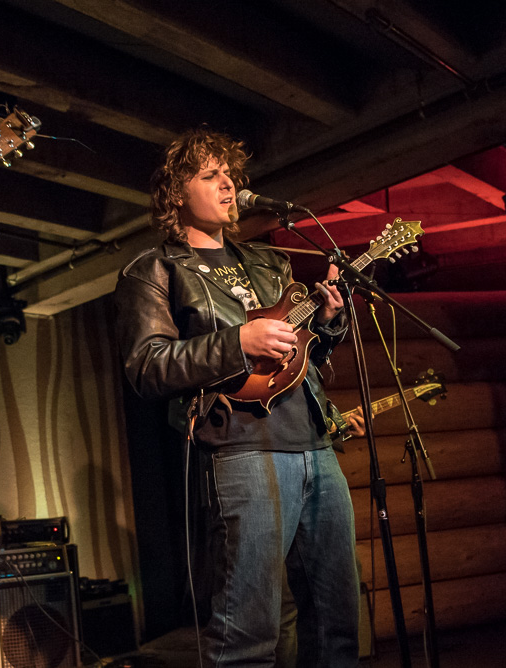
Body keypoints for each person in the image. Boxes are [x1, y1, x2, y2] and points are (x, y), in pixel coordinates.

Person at [114, 127, 359, 666]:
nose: (228, 185)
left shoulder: (271, 264)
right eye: (210, 175)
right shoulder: (156, 269)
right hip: (243, 450)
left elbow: (298, 360)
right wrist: (236, 342)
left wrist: (329, 326)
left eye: (230, 175)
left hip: (315, 444)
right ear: (176, 193)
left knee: (337, 627)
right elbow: (146, 366)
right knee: (247, 634)